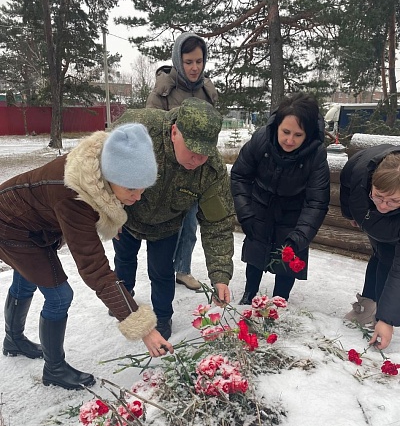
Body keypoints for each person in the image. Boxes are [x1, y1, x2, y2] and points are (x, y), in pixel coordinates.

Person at [0, 124, 174, 391]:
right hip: (10, 225)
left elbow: (103, 200)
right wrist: (144, 328)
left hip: (30, 222)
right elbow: (95, 269)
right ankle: (54, 369)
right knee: (60, 296)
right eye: (131, 189)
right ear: (112, 175)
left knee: (27, 278)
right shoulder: (73, 196)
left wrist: (110, 217)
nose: (137, 198)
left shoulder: (101, 166)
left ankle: (13, 340)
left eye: (143, 189)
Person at [111, 97, 235, 340]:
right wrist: (108, 212)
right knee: (124, 261)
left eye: (205, 153)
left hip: (166, 225)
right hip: (126, 216)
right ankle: (122, 305)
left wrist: (220, 276)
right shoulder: (139, 130)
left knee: (162, 272)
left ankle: (163, 318)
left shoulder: (211, 172)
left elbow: (217, 223)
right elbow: (99, 164)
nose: (198, 160)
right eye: (193, 151)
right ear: (175, 131)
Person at [231, 92, 330, 304]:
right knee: (256, 252)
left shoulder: (316, 154)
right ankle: (249, 294)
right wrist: (245, 213)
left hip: (294, 211)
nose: (289, 140)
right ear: (277, 126)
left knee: (289, 255)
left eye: (298, 135)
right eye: (285, 132)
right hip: (260, 203)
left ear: (308, 134)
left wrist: (300, 237)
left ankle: (279, 300)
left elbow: (317, 201)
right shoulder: (261, 139)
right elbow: (240, 175)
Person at [146, 32, 218, 291]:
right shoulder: (163, 91)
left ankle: (183, 269)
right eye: (188, 61)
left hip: (195, 172)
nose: (194, 67)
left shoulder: (208, 92)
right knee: (166, 228)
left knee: (190, 224)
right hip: (168, 172)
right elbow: (152, 133)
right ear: (179, 60)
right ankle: (163, 272)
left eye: (199, 61)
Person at [340, 145, 400, 350]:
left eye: (393, 201)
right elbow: (346, 184)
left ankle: (379, 316)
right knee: (377, 255)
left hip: (395, 230)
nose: (383, 206)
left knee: (389, 261)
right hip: (374, 223)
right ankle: (366, 305)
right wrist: (350, 213)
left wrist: (387, 319)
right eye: (378, 196)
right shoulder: (359, 170)